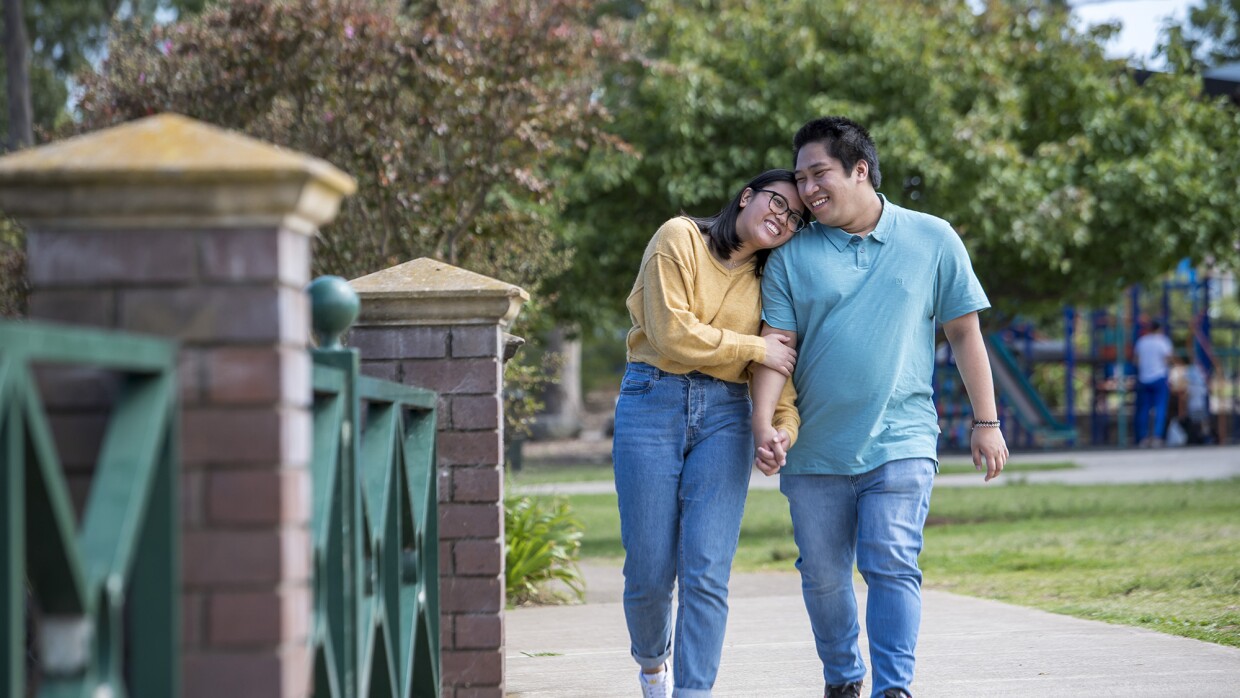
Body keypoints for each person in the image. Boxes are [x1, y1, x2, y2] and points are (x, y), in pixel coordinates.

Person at [750, 116, 1008, 698]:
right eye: (801, 178)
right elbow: (777, 345)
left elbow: (965, 334)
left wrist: (986, 423)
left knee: (890, 560)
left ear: (859, 169)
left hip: (902, 435)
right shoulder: (792, 254)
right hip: (814, 447)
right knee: (821, 575)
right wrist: (763, 422)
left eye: (820, 174)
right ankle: (844, 679)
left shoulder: (933, 238)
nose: (809, 189)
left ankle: (895, 688)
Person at [613, 169, 805, 698]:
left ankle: (692, 691)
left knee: (706, 570)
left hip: (726, 415)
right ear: (747, 196)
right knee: (650, 571)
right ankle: (653, 663)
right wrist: (752, 348)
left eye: (794, 217)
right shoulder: (678, 238)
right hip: (652, 399)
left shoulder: (771, 281)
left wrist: (782, 426)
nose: (782, 219)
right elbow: (670, 333)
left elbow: (777, 363)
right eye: (776, 203)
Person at [1133, 320, 1174, 447]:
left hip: (1143, 379)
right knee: (1160, 408)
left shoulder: (1141, 342)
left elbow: (1136, 361)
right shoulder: (1163, 341)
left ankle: (1143, 438)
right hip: (1159, 377)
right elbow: (1168, 359)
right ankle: (1156, 437)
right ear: (1159, 328)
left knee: (1143, 409)